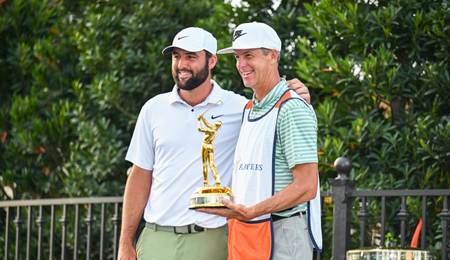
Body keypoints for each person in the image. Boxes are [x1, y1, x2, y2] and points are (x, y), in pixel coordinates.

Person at [118, 27, 312, 260]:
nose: (181, 64)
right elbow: (139, 176)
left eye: (191, 56)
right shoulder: (152, 109)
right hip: (155, 238)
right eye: (176, 56)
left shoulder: (241, 108)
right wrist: (125, 243)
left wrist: (298, 99)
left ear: (212, 61)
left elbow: (277, 118)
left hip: (215, 237)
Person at [197, 22, 322, 260]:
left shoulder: (291, 108)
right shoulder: (250, 109)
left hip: (282, 235)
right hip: (248, 233)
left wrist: (251, 211)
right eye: (237, 57)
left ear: (273, 55)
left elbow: (307, 186)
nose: (241, 65)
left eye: (249, 55)